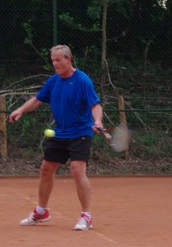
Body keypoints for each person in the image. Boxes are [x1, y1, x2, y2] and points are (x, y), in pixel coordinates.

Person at [8, 45, 106, 231]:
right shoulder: (53, 81)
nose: (55, 64)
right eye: (53, 60)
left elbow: (95, 105)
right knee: (46, 169)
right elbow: (37, 100)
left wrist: (98, 120)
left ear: (69, 59)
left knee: (77, 169)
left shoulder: (82, 80)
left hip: (80, 132)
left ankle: (86, 216)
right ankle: (41, 211)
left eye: (58, 60)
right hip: (60, 133)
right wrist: (20, 110)